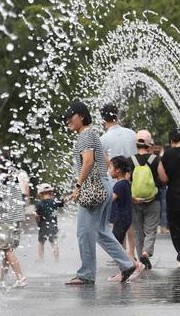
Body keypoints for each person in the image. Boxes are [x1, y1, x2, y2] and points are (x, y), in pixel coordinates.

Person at [64, 101, 141, 284]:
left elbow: (88, 161)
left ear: (81, 116)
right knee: (100, 231)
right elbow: (105, 159)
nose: (68, 121)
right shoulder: (92, 135)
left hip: (94, 188)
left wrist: (78, 186)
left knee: (84, 232)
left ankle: (86, 274)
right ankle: (127, 264)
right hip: (103, 185)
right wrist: (109, 179)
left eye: (70, 117)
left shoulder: (85, 135)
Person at [100, 103, 137, 259]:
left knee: (118, 219)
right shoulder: (131, 133)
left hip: (114, 183)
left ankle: (122, 254)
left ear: (103, 118)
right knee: (129, 219)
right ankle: (131, 253)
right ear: (117, 115)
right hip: (132, 180)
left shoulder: (103, 138)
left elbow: (103, 162)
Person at [128, 130, 168, 269]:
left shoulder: (130, 160)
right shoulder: (155, 159)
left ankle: (140, 260)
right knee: (151, 230)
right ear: (149, 144)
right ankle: (146, 252)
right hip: (153, 200)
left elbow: (126, 181)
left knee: (138, 231)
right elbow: (163, 179)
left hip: (134, 201)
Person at [107, 156, 144, 282]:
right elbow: (129, 197)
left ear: (117, 170)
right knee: (118, 246)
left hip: (121, 219)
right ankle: (127, 268)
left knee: (116, 247)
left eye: (110, 167)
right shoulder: (125, 183)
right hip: (124, 219)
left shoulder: (119, 185)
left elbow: (110, 199)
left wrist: (97, 200)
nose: (109, 170)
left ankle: (132, 267)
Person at [0, 154, 28, 288]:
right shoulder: (15, 180)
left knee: (7, 250)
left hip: (6, 220)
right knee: (7, 251)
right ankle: (1, 279)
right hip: (16, 219)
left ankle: (21, 278)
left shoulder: (1, 182)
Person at [161, 128, 180, 267]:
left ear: (171, 140)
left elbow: (163, 178)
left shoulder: (166, 154)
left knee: (174, 225)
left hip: (172, 193)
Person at [35, 183, 65, 262]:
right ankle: (57, 260)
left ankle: (41, 259)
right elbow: (64, 201)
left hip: (43, 226)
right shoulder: (55, 201)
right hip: (53, 225)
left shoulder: (39, 204)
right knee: (54, 242)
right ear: (51, 192)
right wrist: (72, 195)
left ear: (40, 194)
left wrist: (37, 219)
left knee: (41, 243)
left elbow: (36, 215)